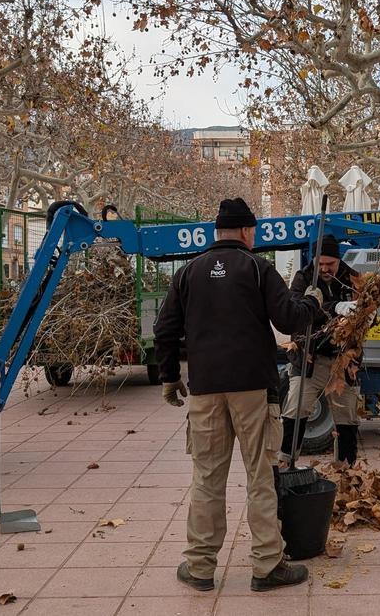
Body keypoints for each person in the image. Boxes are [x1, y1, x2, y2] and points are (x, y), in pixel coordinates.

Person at [154, 197, 324, 593]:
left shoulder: (188, 273)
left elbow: (165, 330)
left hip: (205, 390)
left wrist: (168, 378)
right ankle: (267, 565)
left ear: (216, 232)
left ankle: (199, 567)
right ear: (248, 231)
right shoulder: (257, 268)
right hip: (253, 389)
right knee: (260, 477)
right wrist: (312, 303)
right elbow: (289, 318)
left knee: (207, 478)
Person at [280, 234, 362, 466]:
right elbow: (297, 309)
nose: (325, 268)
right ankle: (287, 465)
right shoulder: (303, 278)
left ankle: (347, 469)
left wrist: (369, 315)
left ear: (339, 260)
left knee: (347, 417)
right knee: (295, 411)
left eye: (330, 264)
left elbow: (365, 310)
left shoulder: (353, 278)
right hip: (309, 361)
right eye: (321, 263)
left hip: (343, 363)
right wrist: (335, 306)